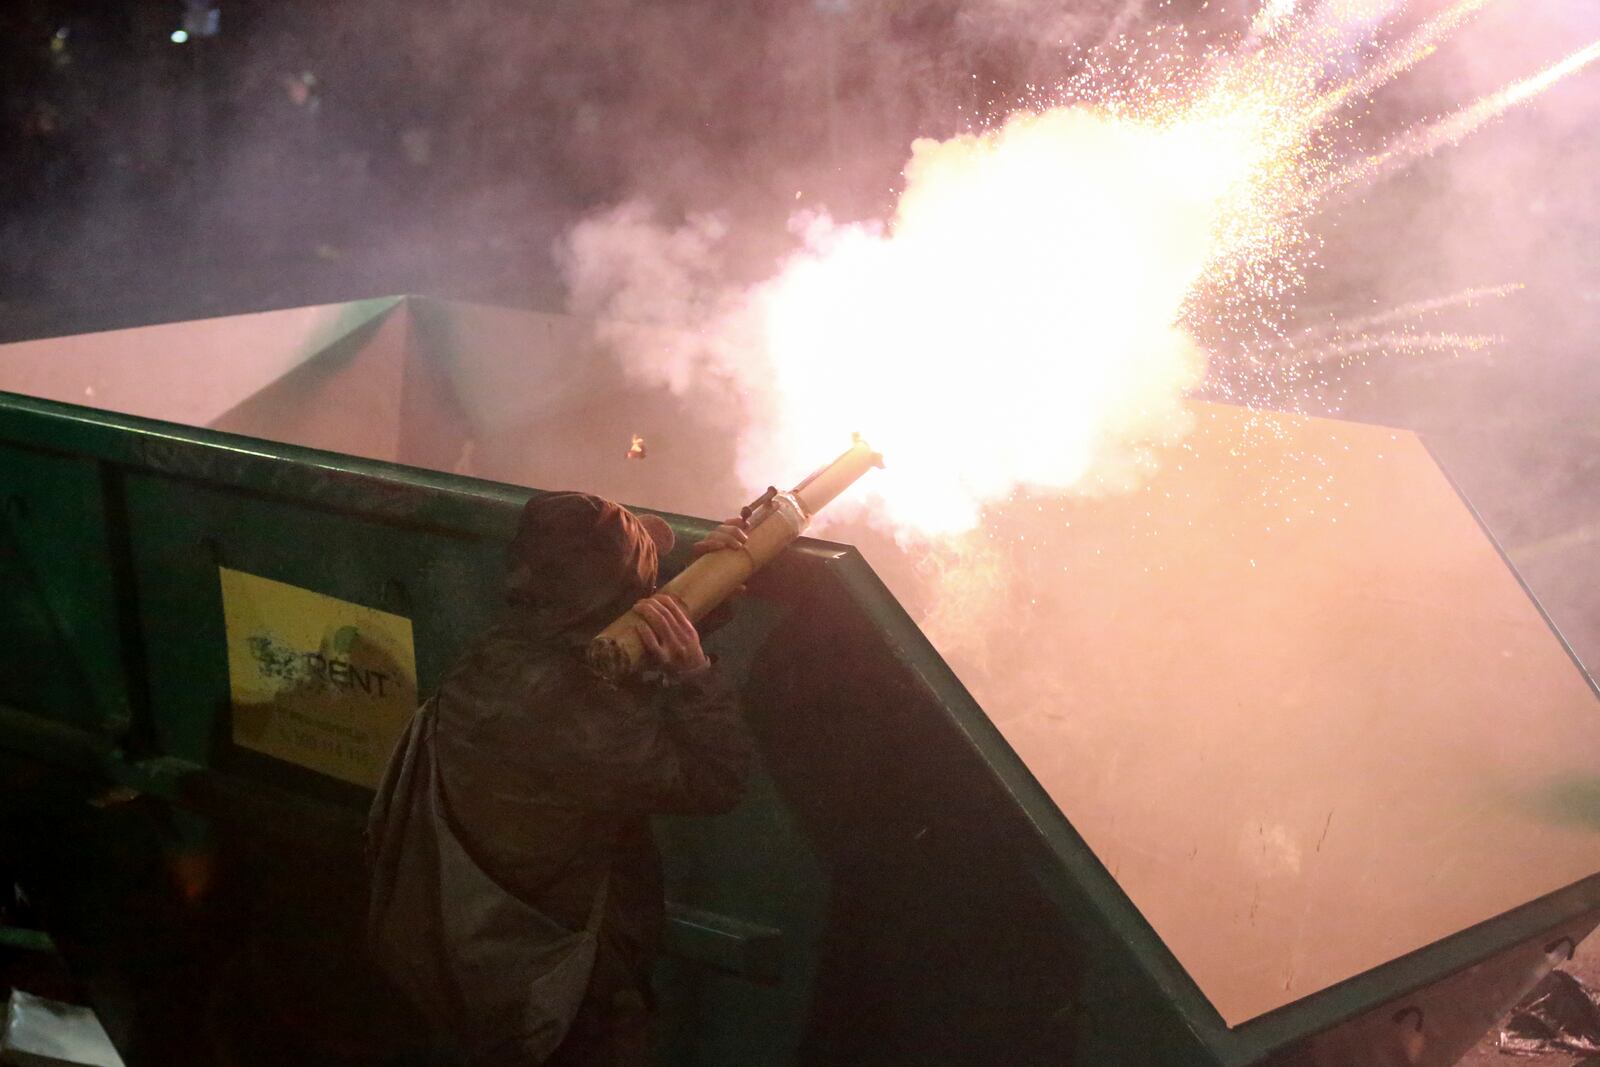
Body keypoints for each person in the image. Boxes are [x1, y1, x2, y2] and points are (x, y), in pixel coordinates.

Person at [366, 492, 753, 1066]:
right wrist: (694, 674)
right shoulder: (577, 716)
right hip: (566, 994)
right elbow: (715, 779)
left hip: (483, 966)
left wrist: (705, 594)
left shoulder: (504, 649)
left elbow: (597, 658)